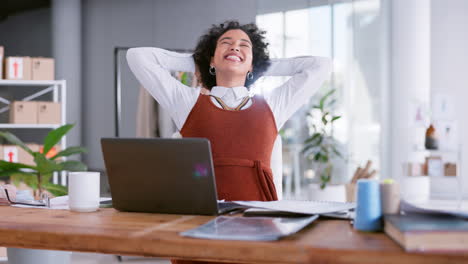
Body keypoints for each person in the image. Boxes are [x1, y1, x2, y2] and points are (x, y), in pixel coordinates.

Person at [127, 19, 331, 207]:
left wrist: (259, 65)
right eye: (226, 43)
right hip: (202, 215)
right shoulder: (187, 102)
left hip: (259, 216)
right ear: (211, 59)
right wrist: (199, 60)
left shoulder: (273, 105)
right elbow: (137, 56)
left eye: (244, 45)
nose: (235, 46)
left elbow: (321, 65)